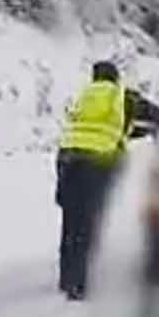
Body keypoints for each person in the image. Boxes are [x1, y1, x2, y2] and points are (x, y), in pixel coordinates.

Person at [56, 60, 130, 300]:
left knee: (70, 219)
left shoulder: (84, 94)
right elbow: (148, 114)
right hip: (97, 161)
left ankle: (65, 277)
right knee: (86, 223)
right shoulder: (120, 96)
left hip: (68, 156)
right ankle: (78, 285)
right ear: (115, 78)